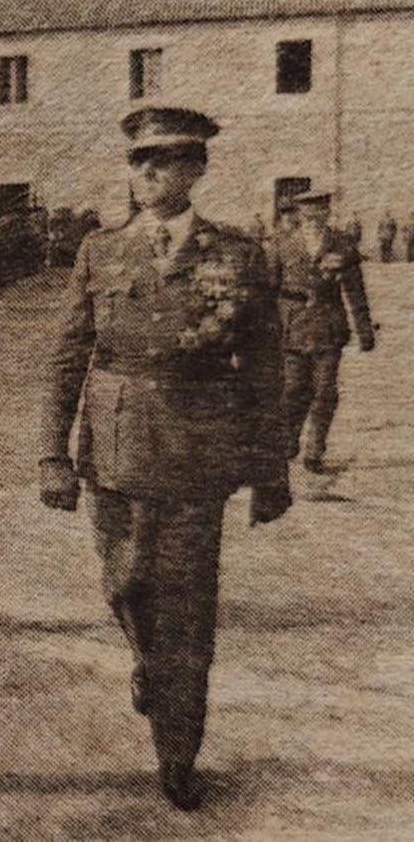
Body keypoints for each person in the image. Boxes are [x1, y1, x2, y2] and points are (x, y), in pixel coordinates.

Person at [37, 105, 292, 811]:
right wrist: (50, 455)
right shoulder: (101, 250)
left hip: (199, 452)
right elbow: (68, 357)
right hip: (116, 450)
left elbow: (267, 367)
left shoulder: (237, 255)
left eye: (167, 159)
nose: (148, 171)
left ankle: (178, 751)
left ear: (196, 170)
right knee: (124, 585)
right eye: (139, 160)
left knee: (188, 608)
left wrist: (272, 469)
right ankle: (150, 666)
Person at [272, 190, 375, 475]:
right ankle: (288, 440)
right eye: (307, 216)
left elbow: (355, 291)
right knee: (293, 389)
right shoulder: (282, 245)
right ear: (299, 216)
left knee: (325, 391)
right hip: (292, 328)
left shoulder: (341, 245)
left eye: (319, 215)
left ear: (327, 214)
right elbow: (270, 290)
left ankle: (314, 451)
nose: (313, 220)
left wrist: (364, 330)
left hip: (328, 328)